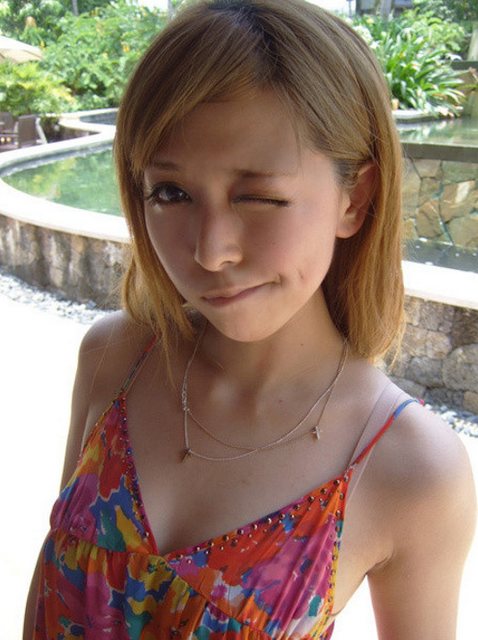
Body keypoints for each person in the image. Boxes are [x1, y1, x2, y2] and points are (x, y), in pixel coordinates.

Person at [25, 1, 476, 638]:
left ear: (355, 199)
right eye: (171, 193)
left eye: (260, 196)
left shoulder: (410, 468)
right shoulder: (115, 358)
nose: (211, 251)